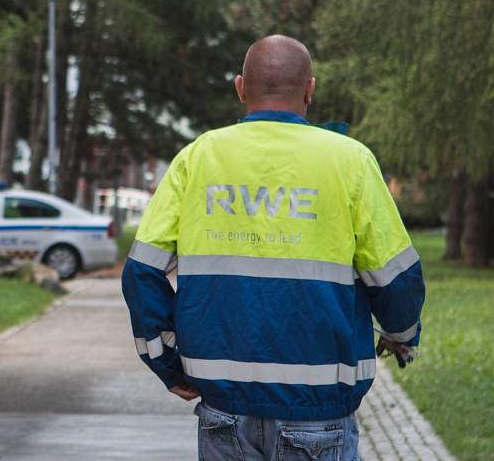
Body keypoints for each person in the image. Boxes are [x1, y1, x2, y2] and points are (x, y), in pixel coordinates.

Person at [121, 35, 425, 460]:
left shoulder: (199, 157)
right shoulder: (350, 161)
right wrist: (402, 333)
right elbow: (396, 277)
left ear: (241, 87)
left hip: (223, 407)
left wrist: (166, 362)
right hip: (318, 407)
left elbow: (142, 272)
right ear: (310, 90)